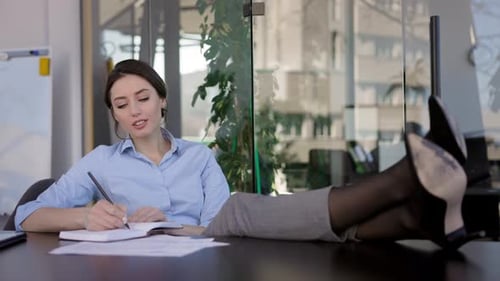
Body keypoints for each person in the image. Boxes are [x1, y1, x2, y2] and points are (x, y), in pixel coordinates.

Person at [15, 59, 230, 233]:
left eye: (143, 98)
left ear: (162, 99)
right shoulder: (101, 161)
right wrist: (86, 217)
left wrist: (165, 227)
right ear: (115, 114)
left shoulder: (199, 157)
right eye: (122, 105)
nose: (134, 111)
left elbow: (221, 231)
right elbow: (26, 216)